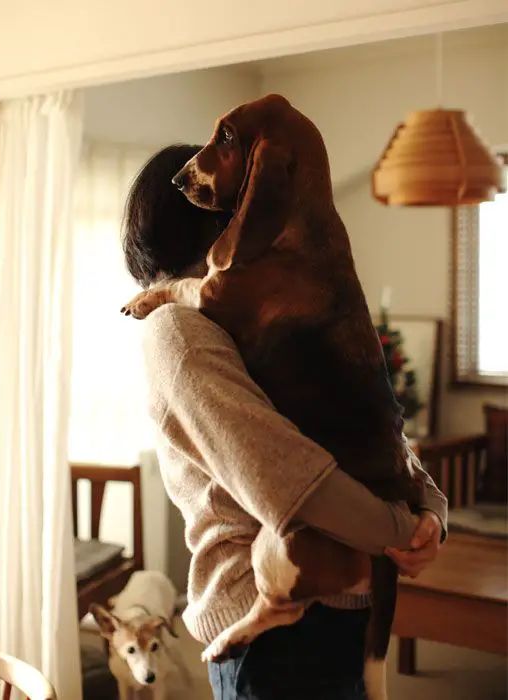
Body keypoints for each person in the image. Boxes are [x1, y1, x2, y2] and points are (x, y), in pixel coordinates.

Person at [122, 145, 448, 700]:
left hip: (346, 606)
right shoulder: (178, 330)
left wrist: (432, 512)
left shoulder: (269, 311)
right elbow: (290, 483)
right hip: (274, 634)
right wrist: (399, 533)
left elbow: (370, 424)